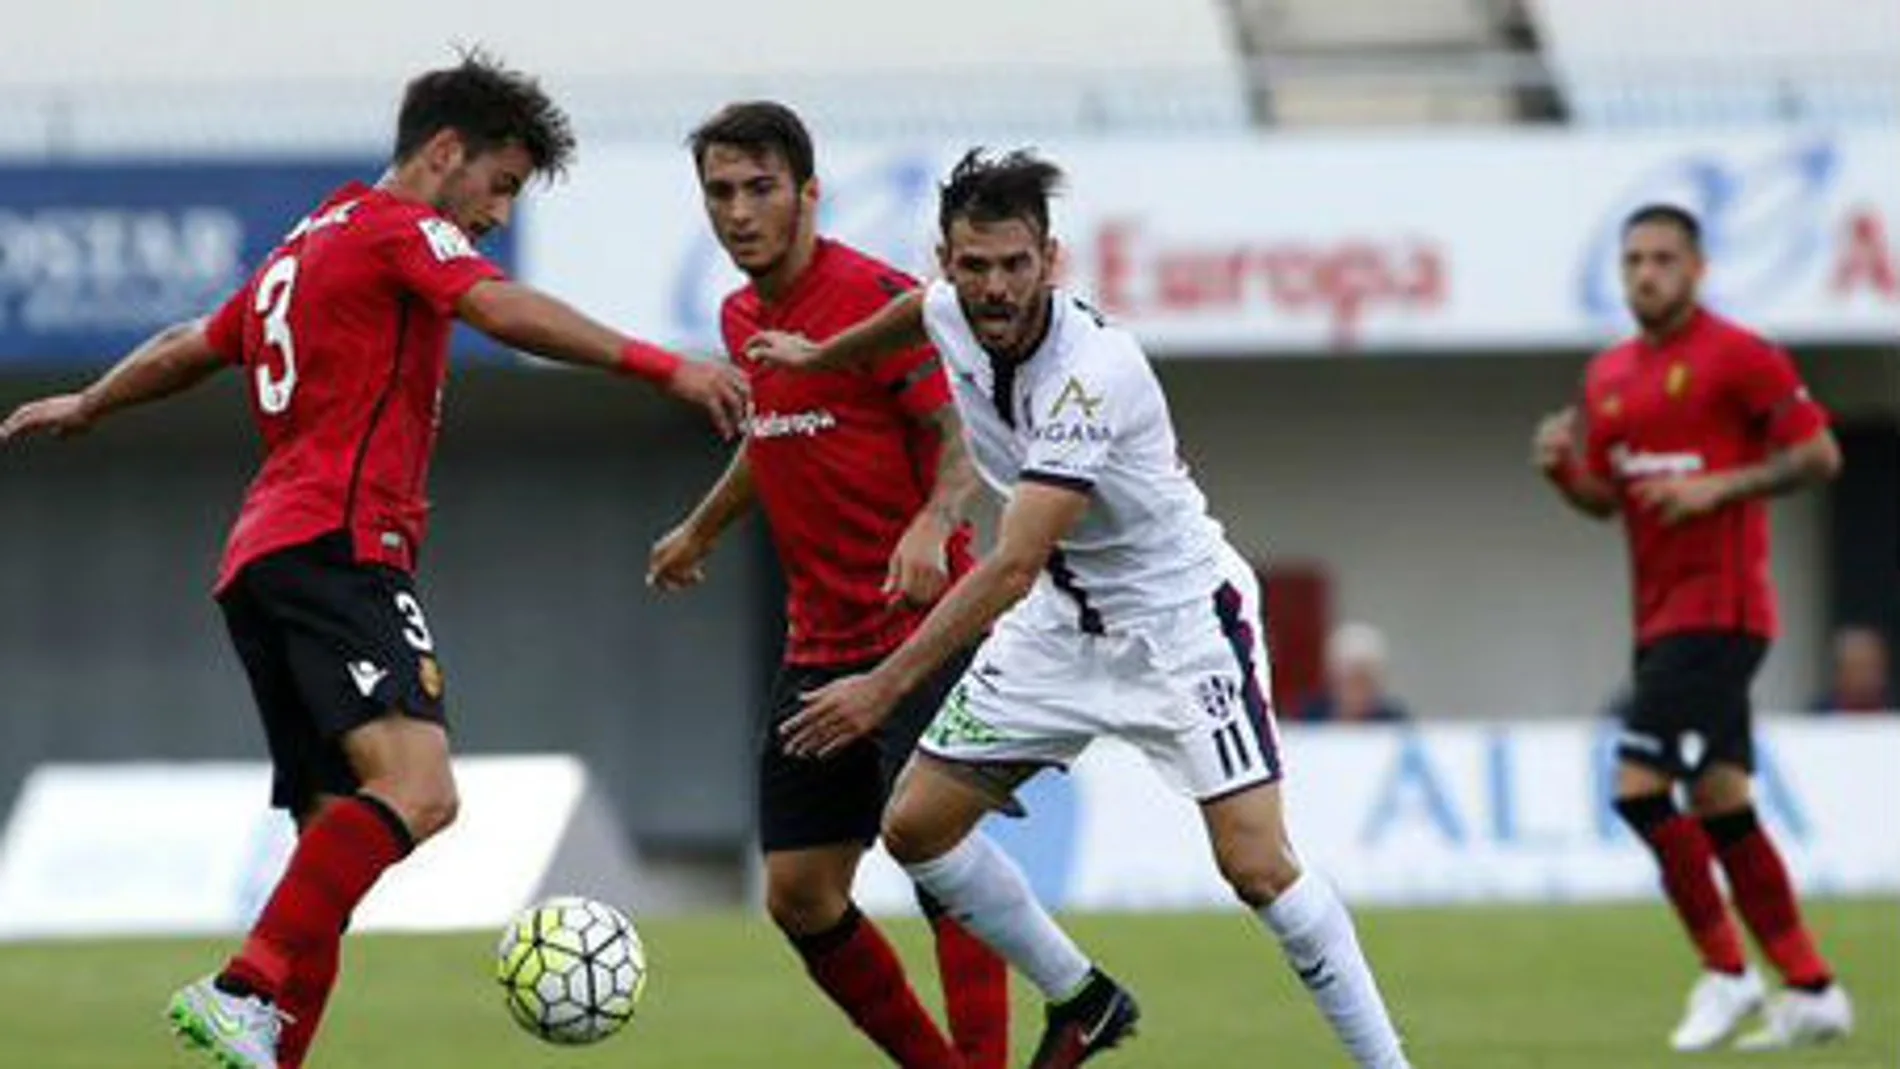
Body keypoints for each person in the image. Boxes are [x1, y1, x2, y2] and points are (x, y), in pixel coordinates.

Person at [0, 51, 747, 1069]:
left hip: (264, 560)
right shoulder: (404, 230)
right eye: (500, 184)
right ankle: (241, 986)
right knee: (423, 789)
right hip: (340, 548)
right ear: (445, 152)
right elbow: (497, 308)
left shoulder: (309, 241)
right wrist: (664, 365)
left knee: (330, 842)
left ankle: (268, 1038)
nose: (493, 213)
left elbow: (194, 337)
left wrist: (92, 402)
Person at [750, 149, 1410, 1069]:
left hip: (1179, 623)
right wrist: (824, 356)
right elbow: (912, 319)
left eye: (1015, 265)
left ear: (1050, 260)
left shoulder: (1094, 371)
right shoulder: (947, 307)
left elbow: (1012, 562)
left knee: (1255, 866)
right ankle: (1085, 997)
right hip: (1063, 625)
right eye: (974, 266)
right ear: (947, 260)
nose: (995, 287)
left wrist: (882, 686)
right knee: (916, 830)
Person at [647, 101, 1008, 1069]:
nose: (737, 211)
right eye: (719, 192)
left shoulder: (876, 302)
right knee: (800, 893)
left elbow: (959, 437)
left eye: (759, 188)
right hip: (819, 646)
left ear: (809, 194)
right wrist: (700, 527)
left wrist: (936, 520)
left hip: (922, 633)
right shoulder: (741, 314)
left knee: (940, 862)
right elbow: (777, 440)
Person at [1533, 203, 1851, 1052]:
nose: (1646, 272)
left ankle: (1727, 969)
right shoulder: (1608, 377)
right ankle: (1813, 986)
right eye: (1634, 258)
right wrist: (1565, 472)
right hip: (1659, 616)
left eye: (1664, 258)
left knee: (1634, 788)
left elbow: (1820, 455)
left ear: (1698, 269)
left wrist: (1722, 487)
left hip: (1724, 612)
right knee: (1721, 801)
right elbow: (1610, 499)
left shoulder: (1741, 357)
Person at [1298, 622, 1412, 724]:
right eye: (1346, 680)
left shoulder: (1394, 720)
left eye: (1363, 681)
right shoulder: (1309, 716)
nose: (1354, 691)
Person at [1809, 626, 1893, 714]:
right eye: (1858, 668)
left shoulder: (1894, 711)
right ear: (1839, 673)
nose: (1865, 677)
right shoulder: (1814, 718)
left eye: (1872, 667)